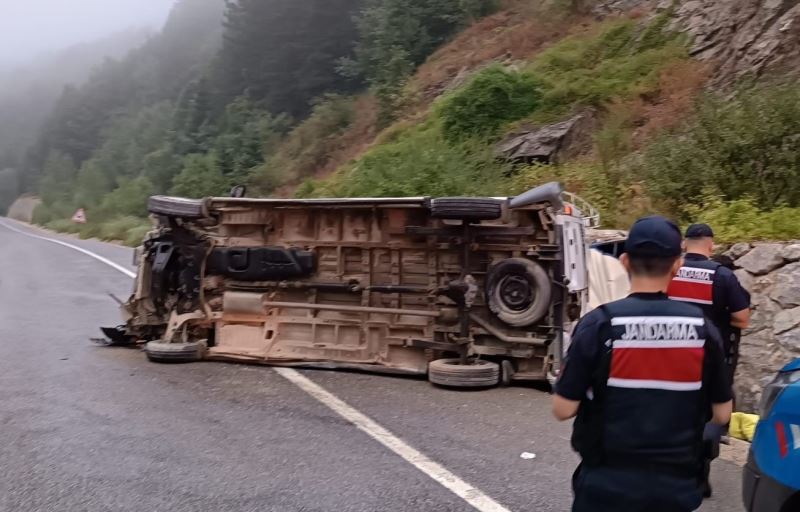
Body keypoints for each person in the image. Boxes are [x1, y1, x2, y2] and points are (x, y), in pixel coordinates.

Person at [552, 216, 733, 512]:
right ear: (677, 265)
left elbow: (563, 409)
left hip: (605, 488)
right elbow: (722, 413)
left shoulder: (599, 324)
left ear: (624, 261)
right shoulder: (703, 329)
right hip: (675, 490)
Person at [666, 223, 751, 497]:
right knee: (710, 417)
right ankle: (700, 474)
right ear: (710, 245)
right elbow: (742, 318)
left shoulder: (669, 270)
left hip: (669, 354)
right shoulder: (722, 276)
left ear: (684, 243)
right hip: (709, 359)